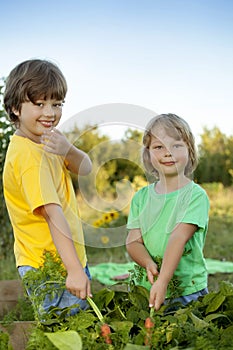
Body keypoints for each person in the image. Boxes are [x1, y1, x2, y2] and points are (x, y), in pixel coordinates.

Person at [3, 59, 92, 316]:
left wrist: (69, 150)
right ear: (15, 108)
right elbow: (53, 215)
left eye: (57, 104)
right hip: (49, 266)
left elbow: (85, 168)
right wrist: (74, 270)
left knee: (79, 327)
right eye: (39, 104)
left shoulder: (48, 140)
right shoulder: (28, 157)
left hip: (68, 256)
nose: (50, 113)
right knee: (65, 332)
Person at [126, 113, 209, 311]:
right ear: (148, 154)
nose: (167, 152)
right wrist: (147, 263)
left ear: (190, 151)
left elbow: (178, 238)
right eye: (158, 147)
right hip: (148, 288)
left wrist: (163, 280)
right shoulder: (141, 198)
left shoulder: (195, 196)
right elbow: (133, 241)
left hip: (186, 290)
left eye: (176, 145)